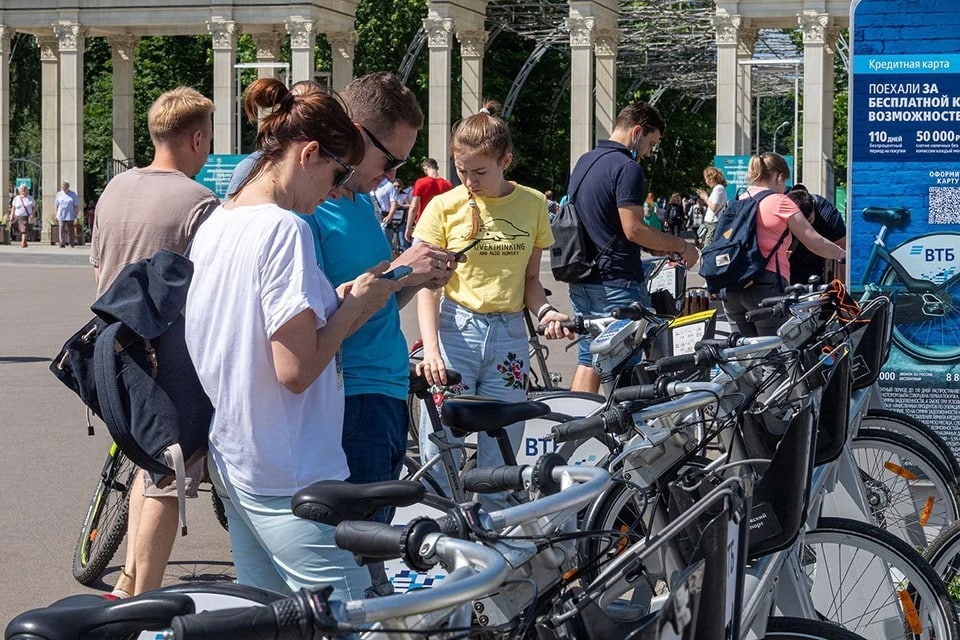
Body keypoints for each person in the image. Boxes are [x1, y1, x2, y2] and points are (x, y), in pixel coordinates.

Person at [185, 77, 400, 600]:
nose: (333, 191)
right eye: (335, 173)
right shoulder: (285, 229)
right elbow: (296, 370)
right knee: (349, 621)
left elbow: (243, 334)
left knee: (270, 619)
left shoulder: (220, 219)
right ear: (308, 154)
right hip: (291, 470)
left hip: (237, 458)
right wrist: (355, 307)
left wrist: (338, 297)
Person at [89, 86, 219, 598]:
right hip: (167, 353)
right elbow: (207, 292)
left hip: (109, 348)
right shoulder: (199, 202)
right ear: (196, 137)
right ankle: (142, 601)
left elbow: (98, 267)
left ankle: (126, 582)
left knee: (146, 464)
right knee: (171, 475)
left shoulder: (115, 188)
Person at [414, 100, 571, 507]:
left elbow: (531, 281)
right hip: (455, 331)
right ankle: (442, 540)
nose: (469, 180)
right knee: (442, 452)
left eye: (479, 171)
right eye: (461, 170)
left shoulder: (533, 204)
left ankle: (496, 545)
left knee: (501, 456)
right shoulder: (443, 207)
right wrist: (431, 350)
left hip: (509, 336)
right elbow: (428, 288)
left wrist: (547, 312)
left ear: (507, 161)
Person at [565, 100, 699, 394]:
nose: (649, 152)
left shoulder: (585, 161)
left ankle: (574, 427)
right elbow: (633, 228)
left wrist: (655, 247)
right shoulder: (627, 168)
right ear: (637, 131)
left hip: (583, 277)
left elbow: (606, 222)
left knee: (589, 358)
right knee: (624, 362)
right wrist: (679, 245)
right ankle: (624, 435)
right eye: (650, 143)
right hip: (616, 282)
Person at [720, 152, 846, 337]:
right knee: (774, 355)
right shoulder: (780, 202)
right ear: (779, 177)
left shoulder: (738, 200)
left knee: (745, 355)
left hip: (730, 288)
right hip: (764, 287)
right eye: (784, 181)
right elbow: (814, 242)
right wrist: (842, 255)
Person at [787, 183, 846, 285]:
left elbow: (844, 252)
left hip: (814, 267)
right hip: (786, 266)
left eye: (809, 221)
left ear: (813, 205)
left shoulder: (828, 215)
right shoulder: (783, 207)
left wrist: (843, 287)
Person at [403, 157, 453, 244]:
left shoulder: (421, 182)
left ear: (425, 168)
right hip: (441, 227)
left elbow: (414, 206)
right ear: (436, 168)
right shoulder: (447, 184)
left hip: (424, 225)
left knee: (417, 254)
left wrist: (408, 228)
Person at [697, 166, 727, 248]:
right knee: (706, 245)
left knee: (708, 246)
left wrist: (705, 198)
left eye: (706, 178)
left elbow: (714, 207)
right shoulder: (717, 189)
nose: (705, 181)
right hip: (711, 222)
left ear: (711, 178)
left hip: (713, 222)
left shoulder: (718, 189)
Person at [9, 184, 35, 249]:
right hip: (17, 217)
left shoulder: (30, 198)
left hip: (26, 217)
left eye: (24, 189)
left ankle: (23, 243)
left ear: (27, 190)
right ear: (19, 190)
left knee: (24, 230)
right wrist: (11, 215)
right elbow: (13, 208)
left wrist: (32, 214)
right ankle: (25, 242)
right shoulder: (16, 198)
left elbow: (34, 207)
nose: (23, 190)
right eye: (22, 189)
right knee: (20, 230)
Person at [55, 181, 80, 248]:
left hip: (70, 214)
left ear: (68, 186)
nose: (64, 187)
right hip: (61, 214)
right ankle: (62, 243)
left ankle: (71, 242)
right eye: (63, 186)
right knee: (61, 228)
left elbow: (76, 205)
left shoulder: (73, 194)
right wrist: (56, 214)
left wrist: (76, 214)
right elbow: (56, 205)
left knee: (70, 229)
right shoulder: (59, 194)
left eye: (65, 186)